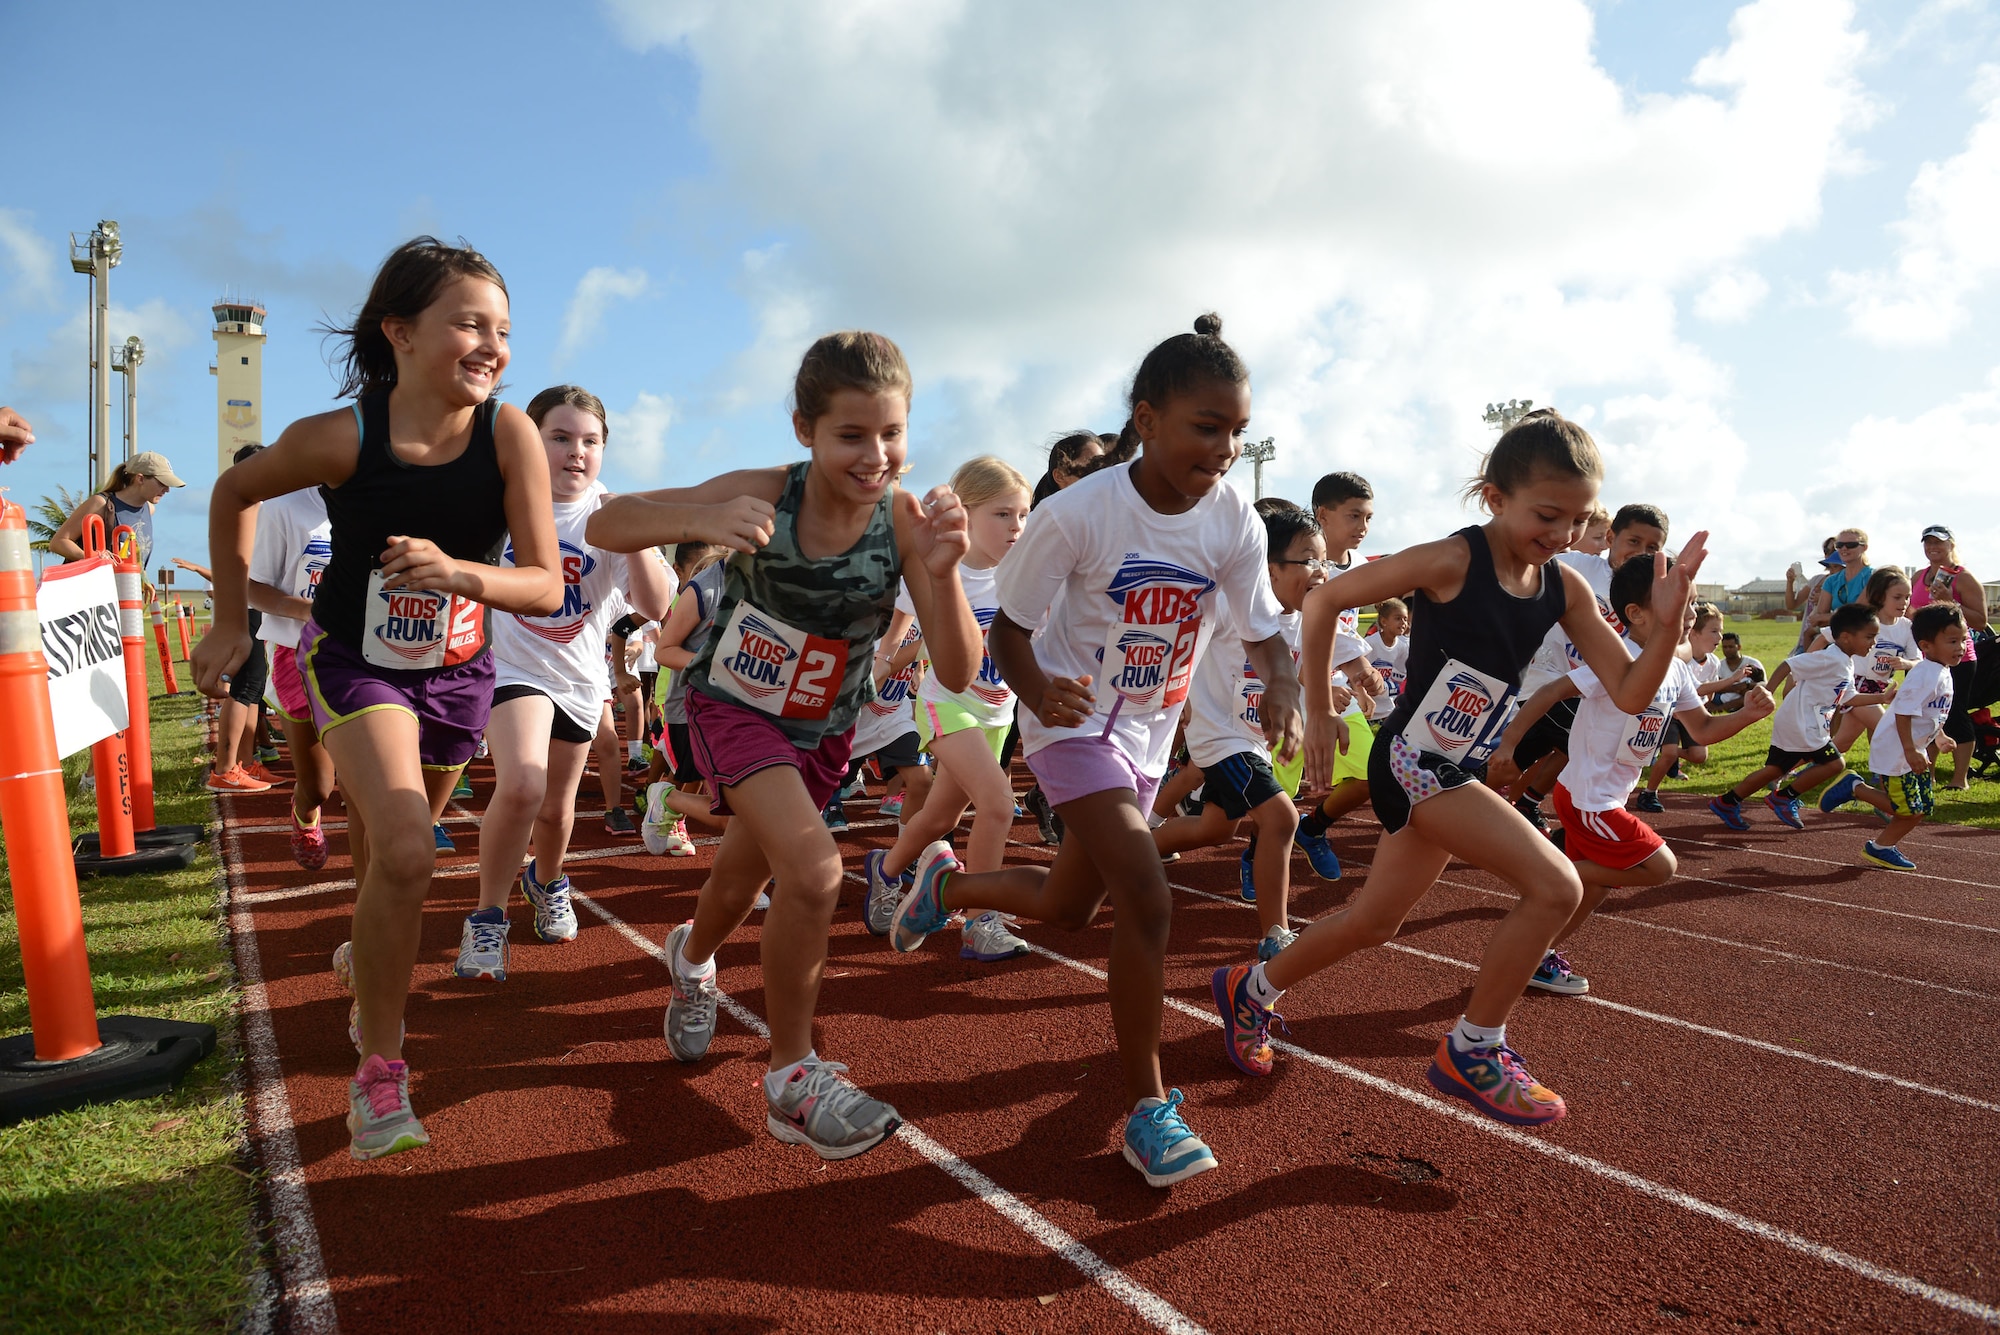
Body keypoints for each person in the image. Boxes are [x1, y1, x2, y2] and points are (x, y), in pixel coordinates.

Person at [887, 313, 1303, 1187]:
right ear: (1146, 420)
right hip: (1072, 725)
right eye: (1206, 426)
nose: (1226, 447)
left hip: (1152, 733)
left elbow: (1265, 629)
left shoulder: (1235, 519)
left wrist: (1287, 691)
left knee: (1072, 905)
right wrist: (1040, 695)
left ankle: (945, 883)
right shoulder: (1076, 515)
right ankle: (1150, 1108)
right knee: (1147, 901)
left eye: (1237, 429)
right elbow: (1013, 635)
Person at [197, 238, 587, 1162]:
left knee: (388, 857)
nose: (491, 345)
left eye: (503, 330)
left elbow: (542, 583)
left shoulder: (509, 434)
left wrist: (458, 573)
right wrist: (226, 621)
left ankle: (366, 957)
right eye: (469, 323)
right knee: (411, 850)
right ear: (401, 332)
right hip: (355, 664)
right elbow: (233, 490)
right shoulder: (343, 436)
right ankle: (379, 1070)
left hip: (458, 674)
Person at [1212, 408, 1707, 1129]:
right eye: (1547, 514)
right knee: (1555, 884)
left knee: (1374, 921)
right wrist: (1317, 707)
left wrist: (1665, 630)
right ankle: (1474, 1047)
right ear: (1494, 497)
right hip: (1413, 761)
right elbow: (1322, 601)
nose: (1563, 534)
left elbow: (1633, 691)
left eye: (1578, 519)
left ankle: (1248, 987)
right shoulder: (1453, 560)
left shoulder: (1564, 588)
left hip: (1454, 765)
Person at [590, 328, 979, 1163]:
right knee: (814, 870)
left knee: (747, 867)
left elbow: (955, 665)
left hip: (825, 729)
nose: (876, 455)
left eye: (892, 433)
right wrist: (700, 516)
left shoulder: (903, 521)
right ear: (805, 429)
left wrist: (943, 574)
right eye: (852, 435)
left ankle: (692, 960)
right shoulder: (769, 488)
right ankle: (792, 1078)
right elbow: (607, 520)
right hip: (733, 709)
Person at [455, 385, 672, 983]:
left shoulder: (613, 516)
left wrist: (640, 532)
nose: (577, 452)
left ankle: (548, 880)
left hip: (579, 678)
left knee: (555, 809)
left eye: (591, 441)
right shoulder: (500, 501)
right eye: (560, 437)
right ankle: (486, 918)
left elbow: (654, 606)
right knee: (523, 785)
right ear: (532, 439)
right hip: (511, 669)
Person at [1491, 555, 1773, 994]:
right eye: (1680, 604)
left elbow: (1702, 729)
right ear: (1637, 614)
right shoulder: (1618, 659)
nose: (1691, 614)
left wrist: (1748, 715)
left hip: (1605, 797)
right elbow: (1551, 690)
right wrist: (1508, 746)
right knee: (1659, 866)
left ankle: (1536, 956)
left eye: (1694, 604)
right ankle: (1552, 874)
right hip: (1588, 798)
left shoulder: (1677, 671)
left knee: (1600, 884)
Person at [862, 456, 1033, 962]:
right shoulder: (942, 570)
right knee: (999, 804)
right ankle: (980, 920)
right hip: (945, 706)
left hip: (998, 713)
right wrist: (880, 667)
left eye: (1023, 515)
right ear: (966, 513)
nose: (1016, 527)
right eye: (1003, 515)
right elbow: (898, 632)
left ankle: (887, 870)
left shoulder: (1026, 579)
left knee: (938, 817)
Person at [1151, 502, 1324, 958]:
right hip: (1218, 737)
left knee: (1214, 830)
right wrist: (1180, 699)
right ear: (1270, 568)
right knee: (1282, 819)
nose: (1321, 570)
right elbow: (1182, 641)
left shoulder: (1306, 618)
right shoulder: (1232, 607)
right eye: (1309, 559)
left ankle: (1128, 852)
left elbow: (1315, 667)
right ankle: (1276, 934)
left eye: (1324, 559)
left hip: (1250, 741)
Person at [1506, 504, 1670, 830]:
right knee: (1587, 745)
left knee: (1549, 750)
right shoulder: (1576, 567)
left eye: (1652, 547)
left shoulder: (1650, 589)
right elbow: (1522, 571)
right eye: (1633, 542)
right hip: (1546, 676)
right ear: (1610, 537)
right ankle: (1581, 824)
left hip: (1589, 688)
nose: (1641, 552)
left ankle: (1503, 794)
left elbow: (1680, 636)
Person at [1707, 603, 1887, 832]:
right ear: (1846, 637)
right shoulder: (1829, 658)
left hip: (1802, 723)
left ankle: (1727, 802)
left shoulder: (1845, 661)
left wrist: (1884, 697)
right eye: (1869, 637)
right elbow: (1788, 664)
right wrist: (1767, 691)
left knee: (1773, 770)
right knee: (1834, 763)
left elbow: (1848, 697)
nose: (1873, 643)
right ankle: (1784, 797)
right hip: (1802, 725)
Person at [1287, 472, 1387, 880]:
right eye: (1353, 516)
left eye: (1368, 517)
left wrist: (1359, 678)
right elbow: (1282, 633)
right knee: (1276, 792)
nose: (1363, 527)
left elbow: (1346, 630)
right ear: (1322, 515)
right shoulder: (1298, 564)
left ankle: (1311, 829)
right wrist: (1316, 682)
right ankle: (1255, 855)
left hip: (1339, 696)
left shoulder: (1362, 568)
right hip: (1289, 690)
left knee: (1369, 776)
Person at [1817, 602, 1968, 869]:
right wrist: (1910, 751)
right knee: (1908, 809)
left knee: (1920, 808)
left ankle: (1882, 846)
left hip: (1912, 750)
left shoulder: (1942, 670)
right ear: (1927, 645)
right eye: (1952, 641)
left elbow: (1928, 713)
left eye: (1963, 640)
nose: (1960, 647)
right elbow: (1903, 712)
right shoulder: (1925, 673)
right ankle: (1856, 790)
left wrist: (1939, 736)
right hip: (1898, 751)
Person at [246, 472, 336, 868]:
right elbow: (255, 587)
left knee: (371, 779)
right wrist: (310, 611)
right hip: (295, 652)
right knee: (319, 786)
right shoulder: (285, 508)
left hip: (366, 655)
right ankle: (305, 814)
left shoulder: (388, 500)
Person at [642, 542, 728, 856]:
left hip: (750, 709)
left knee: (742, 806)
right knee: (729, 809)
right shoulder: (705, 589)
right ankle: (667, 801)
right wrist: (719, 663)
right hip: (693, 706)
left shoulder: (778, 585)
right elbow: (663, 650)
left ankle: (672, 805)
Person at [1634, 601, 1736, 810]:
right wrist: (1733, 680)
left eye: (1721, 631)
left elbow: (1706, 692)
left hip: (1692, 713)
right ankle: (1649, 793)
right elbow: (1695, 690)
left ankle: (1655, 751)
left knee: (1699, 756)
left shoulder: (1714, 662)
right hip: (1671, 713)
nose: (1719, 638)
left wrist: (1706, 702)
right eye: (1714, 631)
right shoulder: (1681, 662)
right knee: (1670, 753)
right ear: (1694, 634)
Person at [1805, 568, 1916, 755]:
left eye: (1907, 597)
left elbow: (1917, 661)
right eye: (1897, 597)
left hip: (1878, 689)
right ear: (1880, 597)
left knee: (1842, 743)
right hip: (1854, 687)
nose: (1904, 602)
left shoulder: (1907, 627)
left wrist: (1906, 664)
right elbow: (1824, 637)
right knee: (1889, 730)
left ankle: (1795, 769)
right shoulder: (1863, 620)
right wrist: (1805, 664)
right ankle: (1890, 774)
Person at [1913, 525, 1991, 788]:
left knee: (1955, 714)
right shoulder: (1920, 577)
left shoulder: (1963, 578)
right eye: (1928, 542)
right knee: (1925, 714)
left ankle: (1960, 778)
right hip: (1925, 656)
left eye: (1939, 542)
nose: (1933, 547)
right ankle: (1928, 773)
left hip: (1959, 658)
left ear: (1951, 545)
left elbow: (1981, 622)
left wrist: (1951, 602)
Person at [48, 450, 185, 573]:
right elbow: (58, 542)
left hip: (128, 593)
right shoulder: (102, 504)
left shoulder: (149, 509)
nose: (167, 490)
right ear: (140, 479)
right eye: (162, 483)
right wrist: (96, 559)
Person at [1811, 528, 1873, 632]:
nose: (1844, 548)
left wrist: (1828, 617)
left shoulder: (1873, 577)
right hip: (1836, 640)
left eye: (1851, 545)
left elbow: (1858, 615)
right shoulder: (1831, 581)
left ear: (1864, 547)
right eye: (1839, 545)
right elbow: (1818, 621)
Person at [1363, 598, 1411, 724]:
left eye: (1405, 619)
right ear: (1384, 621)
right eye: (1398, 618)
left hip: (1388, 710)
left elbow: (1399, 679)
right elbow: (1356, 675)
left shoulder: (1402, 648)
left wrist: (1385, 687)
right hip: (1365, 708)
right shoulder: (1369, 644)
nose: (1403, 622)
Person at [1030, 429, 1105, 507]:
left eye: (1103, 466)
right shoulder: (1047, 517)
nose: (1100, 473)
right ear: (1060, 476)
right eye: (1094, 465)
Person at [1710, 631, 1765, 713]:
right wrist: (1738, 687)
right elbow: (1716, 687)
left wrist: (1747, 685)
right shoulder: (1718, 664)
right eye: (1724, 647)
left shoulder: (1752, 663)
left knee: (1749, 694)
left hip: (1744, 696)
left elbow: (1764, 684)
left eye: (1731, 647)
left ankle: (1719, 710)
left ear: (1739, 647)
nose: (1727, 650)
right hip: (1722, 697)